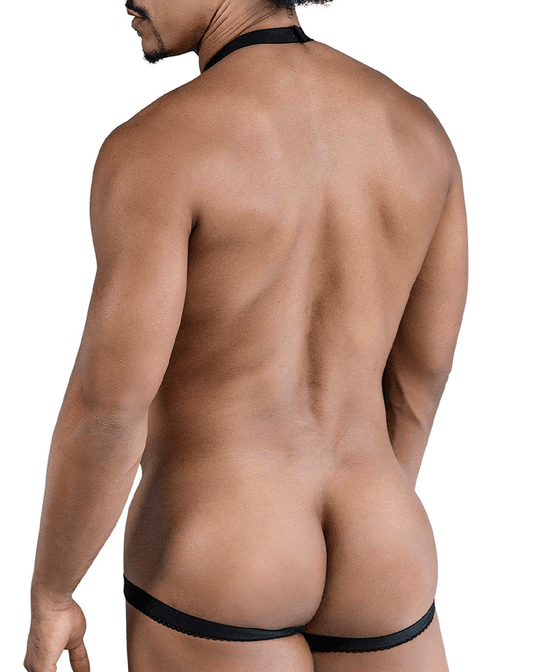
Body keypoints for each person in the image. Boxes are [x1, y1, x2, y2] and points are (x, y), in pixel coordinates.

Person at [23, 0, 468, 670]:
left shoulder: (160, 146)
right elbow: (421, 378)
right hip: (384, 541)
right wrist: (362, 530)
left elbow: (110, 408)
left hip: (223, 547)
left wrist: (54, 591)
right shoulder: (419, 131)